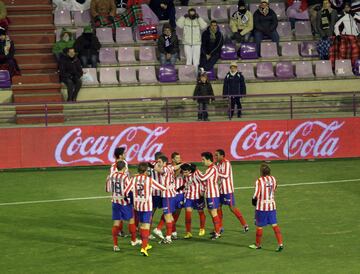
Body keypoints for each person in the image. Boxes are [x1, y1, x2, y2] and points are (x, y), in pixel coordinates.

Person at [123, 162, 167, 257]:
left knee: (142, 225)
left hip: (137, 206)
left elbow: (126, 191)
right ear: (146, 170)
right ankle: (144, 248)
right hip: (146, 207)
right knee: (146, 226)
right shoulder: (149, 180)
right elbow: (162, 188)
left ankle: (145, 244)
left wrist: (130, 199)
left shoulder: (134, 179)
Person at [106, 161, 141, 252]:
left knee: (116, 223)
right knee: (131, 219)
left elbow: (107, 189)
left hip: (115, 202)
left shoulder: (112, 175)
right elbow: (129, 190)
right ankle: (133, 240)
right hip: (124, 203)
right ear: (124, 168)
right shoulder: (125, 177)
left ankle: (115, 245)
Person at [249, 163, 284, 252]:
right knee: (274, 225)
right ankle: (280, 244)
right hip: (272, 206)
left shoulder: (259, 181)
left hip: (261, 207)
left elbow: (256, 194)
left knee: (259, 226)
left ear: (261, 172)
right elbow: (275, 188)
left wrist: (253, 201)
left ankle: (258, 244)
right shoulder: (273, 179)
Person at [214, 149, 249, 234]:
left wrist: (215, 173)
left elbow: (225, 175)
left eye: (217, 155)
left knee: (232, 208)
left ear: (222, 156)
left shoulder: (227, 163)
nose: (215, 157)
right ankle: (220, 227)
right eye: (215, 155)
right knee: (218, 207)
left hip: (227, 190)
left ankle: (245, 225)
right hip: (220, 190)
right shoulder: (218, 164)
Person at [152, 155, 181, 244]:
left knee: (167, 216)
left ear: (164, 163)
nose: (158, 163)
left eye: (160, 162)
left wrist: (156, 165)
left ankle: (168, 238)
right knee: (170, 216)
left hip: (167, 195)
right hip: (172, 194)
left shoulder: (165, 169)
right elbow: (175, 167)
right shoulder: (170, 167)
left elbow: (156, 169)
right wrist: (181, 164)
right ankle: (173, 232)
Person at [196, 152, 222, 240]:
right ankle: (217, 230)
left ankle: (218, 232)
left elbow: (203, 178)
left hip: (213, 194)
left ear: (208, 159)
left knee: (214, 212)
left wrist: (196, 171)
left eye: (203, 159)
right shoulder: (209, 169)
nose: (202, 161)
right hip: (209, 194)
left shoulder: (212, 169)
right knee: (211, 212)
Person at [181, 163, 207, 239]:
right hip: (189, 197)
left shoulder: (196, 173)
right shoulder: (185, 176)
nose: (184, 173)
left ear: (189, 171)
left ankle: (202, 228)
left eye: (186, 172)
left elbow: (204, 181)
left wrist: (203, 190)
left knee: (200, 212)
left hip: (198, 197)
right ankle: (188, 232)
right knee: (188, 214)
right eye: (183, 172)